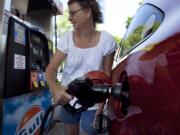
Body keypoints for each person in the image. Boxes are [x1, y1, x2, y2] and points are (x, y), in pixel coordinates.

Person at [45, 0, 117, 134]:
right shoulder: (66, 38)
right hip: (68, 100)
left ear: (88, 12)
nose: (69, 18)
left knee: (90, 130)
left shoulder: (107, 41)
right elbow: (51, 69)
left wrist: (101, 108)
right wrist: (55, 89)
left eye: (73, 13)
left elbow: (107, 77)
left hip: (93, 101)